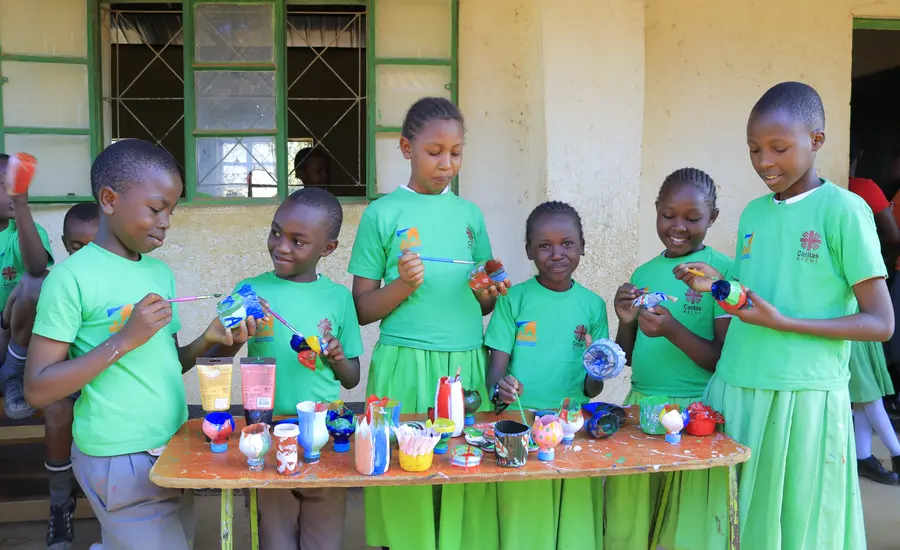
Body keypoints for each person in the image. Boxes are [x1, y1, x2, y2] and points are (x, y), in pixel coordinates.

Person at [676, 81, 893, 548]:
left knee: (795, 526)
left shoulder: (845, 211)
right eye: (754, 149)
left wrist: (785, 324)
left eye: (778, 148)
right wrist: (718, 282)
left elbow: (881, 323)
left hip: (803, 396)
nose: (764, 162)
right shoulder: (753, 214)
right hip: (737, 384)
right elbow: (755, 295)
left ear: (816, 140)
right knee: (736, 522)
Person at [23, 139, 261, 549]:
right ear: (109, 199)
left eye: (171, 211)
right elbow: (38, 388)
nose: (165, 222)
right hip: (119, 456)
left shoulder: (158, 274)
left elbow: (168, 362)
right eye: (155, 208)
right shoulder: (70, 278)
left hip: (170, 446)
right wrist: (123, 339)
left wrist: (214, 341)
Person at [349, 97, 509, 550]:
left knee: (464, 474)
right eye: (434, 152)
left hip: (464, 366)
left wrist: (488, 289)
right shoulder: (382, 214)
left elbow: (480, 304)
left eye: (456, 152)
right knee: (405, 477)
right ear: (406, 148)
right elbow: (360, 309)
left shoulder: (470, 216)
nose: (446, 163)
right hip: (404, 364)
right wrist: (402, 284)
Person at [225, 187, 363, 550]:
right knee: (275, 538)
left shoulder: (338, 298)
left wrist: (337, 358)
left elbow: (352, 379)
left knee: (324, 539)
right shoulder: (250, 291)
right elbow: (222, 348)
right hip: (267, 432)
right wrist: (235, 330)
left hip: (323, 434)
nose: (281, 246)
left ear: (327, 248)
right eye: (276, 232)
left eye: (297, 241)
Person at [606, 168, 732, 550]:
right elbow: (627, 356)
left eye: (692, 218)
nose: (678, 227)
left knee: (686, 519)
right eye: (668, 215)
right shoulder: (644, 272)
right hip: (641, 406)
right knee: (630, 514)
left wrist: (673, 330)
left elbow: (720, 359)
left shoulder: (721, 273)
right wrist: (625, 320)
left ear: (713, 217)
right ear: (656, 210)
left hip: (696, 413)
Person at [483, 201, 607, 550]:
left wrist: (595, 368)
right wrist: (501, 390)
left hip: (571, 426)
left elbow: (593, 388)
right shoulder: (513, 300)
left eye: (567, 243)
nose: (557, 254)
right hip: (520, 425)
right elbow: (494, 379)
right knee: (525, 520)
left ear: (582, 246)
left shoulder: (593, 305)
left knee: (574, 520)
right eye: (544, 245)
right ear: (529, 251)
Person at [33, 203, 99, 550]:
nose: (85, 255)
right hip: (72, 379)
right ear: (63, 244)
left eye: (93, 246)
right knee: (58, 412)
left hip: (113, 381)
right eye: (76, 247)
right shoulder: (61, 281)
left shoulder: (121, 279)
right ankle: (61, 505)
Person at [846, 149, 900, 485]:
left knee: (866, 396)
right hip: (851, 315)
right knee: (867, 396)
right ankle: (884, 453)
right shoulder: (858, 194)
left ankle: (867, 456)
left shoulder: (854, 194)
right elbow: (893, 237)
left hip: (859, 315)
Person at [0, 153, 55, 419]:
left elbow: (35, 267)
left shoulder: (23, 231)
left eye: (20, 187)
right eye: (5, 187)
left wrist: (21, 207)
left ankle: (13, 374)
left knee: (37, 282)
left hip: (15, 331)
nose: (13, 193)